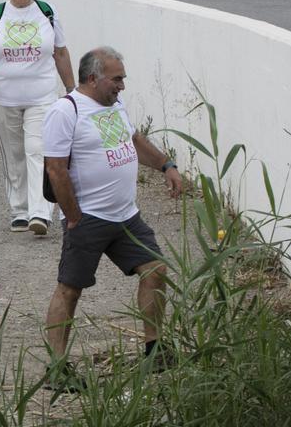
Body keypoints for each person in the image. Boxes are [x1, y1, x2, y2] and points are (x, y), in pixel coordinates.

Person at [42, 47, 185, 391]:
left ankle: (155, 349)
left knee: (155, 270)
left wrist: (166, 165)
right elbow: (55, 169)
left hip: (126, 216)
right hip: (89, 217)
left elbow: (134, 141)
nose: (122, 85)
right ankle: (56, 368)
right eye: (116, 78)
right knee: (70, 289)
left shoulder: (114, 105)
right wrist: (73, 215)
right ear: (93, 78)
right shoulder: (66, 111)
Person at [0, 0, 75, 235]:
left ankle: (40, 213)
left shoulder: (46, 12)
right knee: (14, 155)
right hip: (6, 97)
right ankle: (19, 210)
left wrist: (72, 91)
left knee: (38, 151)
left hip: (43, 96)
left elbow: (61, 52)